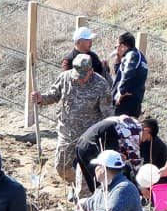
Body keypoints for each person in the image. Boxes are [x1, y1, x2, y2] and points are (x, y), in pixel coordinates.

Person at [31, 54, 112, 186]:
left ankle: (83, 190)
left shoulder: (101, 85)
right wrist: (40, 98)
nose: (79, 79)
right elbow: (53, 96)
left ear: (91, 71)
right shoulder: (65, 78)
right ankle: (74, 182)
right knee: (61, 167)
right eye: (77, 75)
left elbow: (107, 114)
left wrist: (107, 135)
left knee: (87, 169)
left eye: (83, 76)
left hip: (88, 137)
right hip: (67, 133)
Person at [73, 115, 143, 193]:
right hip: (92, 146)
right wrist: (141, 186)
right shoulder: (134, 130)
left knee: (95, 185)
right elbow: (134, 160)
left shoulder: (121, 121)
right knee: (104, 184)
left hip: (82, 144)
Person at [112, 32, 147, 117]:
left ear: (123, 46)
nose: (116, 49)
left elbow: (129, 73)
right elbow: (121, 75)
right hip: (134, 101)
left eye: (117, 46)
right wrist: (118, 60)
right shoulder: (139, 56)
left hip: (126, 102)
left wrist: (121, 92)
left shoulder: (131, 55)